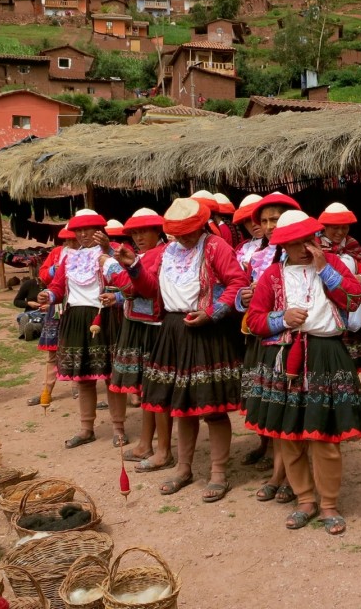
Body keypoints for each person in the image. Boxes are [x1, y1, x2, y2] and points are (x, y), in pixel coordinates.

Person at [110, 197, 247, 503]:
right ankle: (183, 468)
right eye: (179, 233)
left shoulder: (215, 247)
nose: (183, 238)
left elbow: (238, 282)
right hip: (173, 329)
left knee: (212, 408)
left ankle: (218, 473)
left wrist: (213, 312)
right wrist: (132, 266)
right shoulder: (167, 252)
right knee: (180, 407)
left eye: (189, 232)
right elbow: (149, 290)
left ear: (201, 226)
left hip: (206, 331)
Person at [247, 209, 361, 535]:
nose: (304, 247)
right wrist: (281, 319)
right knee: (290, 437)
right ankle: (305, 499)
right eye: (295, 242)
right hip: (286, 357)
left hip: (327, 356)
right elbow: (255, 320)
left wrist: (325, 271)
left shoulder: (333, 266)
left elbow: (354, 297)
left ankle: (329, 504)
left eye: (309, 239)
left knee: (325, 438)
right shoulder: (272, 276)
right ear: (283, 246)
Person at [37, 209, 122, 448]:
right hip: (75, 317)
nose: (83, 234)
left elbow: (125, 276)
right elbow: (57, 286)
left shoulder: (114, 250)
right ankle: (87, 428)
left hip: (105, 316)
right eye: (79, 230)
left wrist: (108, 251)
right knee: (84, 377)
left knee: (110, 376)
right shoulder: (68, 257)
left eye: (89, 229)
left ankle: (118, 428)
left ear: (100, 230)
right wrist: (48, 295)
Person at [239, 191, 301, 503]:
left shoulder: (310, 255)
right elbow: (243, 296)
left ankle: (292, 474)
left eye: (274, 219)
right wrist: (246, 300)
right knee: (276, 408)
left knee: (294, 411)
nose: (269, 226)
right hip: (266, 339)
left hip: (301, 341)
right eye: (263, 221)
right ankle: (280, 472)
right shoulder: (257, 257)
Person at [104, 208, 174, 467]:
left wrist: (117, 269)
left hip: (155, 327)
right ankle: (146, 443)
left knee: (158, 389)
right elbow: (129, 288)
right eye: (134, 232)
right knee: (148, 389)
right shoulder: (144, 255)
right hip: (138, 324)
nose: (139, 236)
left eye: (144, 230)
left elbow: (143, 287)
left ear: (158, 230)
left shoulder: (163, 255)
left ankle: (163, 449)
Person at [318, 203, 361, 373]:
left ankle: (352, 383)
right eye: (335, 228)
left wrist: (360, 279)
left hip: (351, 305)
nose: (340, 232)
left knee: (351, 349)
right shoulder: (315, 247)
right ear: (324, 227)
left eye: (344, 227)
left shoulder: (352, 245)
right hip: (326, 305)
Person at [28, 227, 78, 406]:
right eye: (68, 240)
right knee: (53, 350)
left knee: (75, 348)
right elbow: (42, 274)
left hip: (76, 307)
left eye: (74, 240)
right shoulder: (57, 253)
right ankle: (47, 390)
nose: (71, 243)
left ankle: (77, 388)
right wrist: (52, 272)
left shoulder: (86, 255)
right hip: (56, 306)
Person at [232, 194, 264, 270]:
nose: (253, 224)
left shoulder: (279, 247)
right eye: (248, 220)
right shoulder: (242, 247)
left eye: (257, 217)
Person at [14, 275, 45, 341]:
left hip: (47, 313)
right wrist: (28, 303)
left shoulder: (54, 284)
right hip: (32, 312)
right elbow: (16, 301)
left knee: (46, 320)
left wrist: (49, 306)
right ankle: (31, 329)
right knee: (22, 316)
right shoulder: (28, 284)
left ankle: (28, 330)